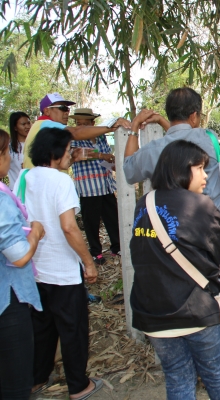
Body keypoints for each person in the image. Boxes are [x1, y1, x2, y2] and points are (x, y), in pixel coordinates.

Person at [123, 87, 220, 362]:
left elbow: (128, 169)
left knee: (185, 307)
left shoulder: (154, 150)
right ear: (195, 116)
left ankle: (190, 366)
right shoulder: (207, 139)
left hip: (174, 247)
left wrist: (134, 128)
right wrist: (168, 123)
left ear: (169, 114)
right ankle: (219, 366)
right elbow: (185, 135)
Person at [130, 140, 220, 399]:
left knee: (177, 377)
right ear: (180, 168)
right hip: (195, 311)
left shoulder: (144, 203)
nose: (205, 175)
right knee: (217, 376)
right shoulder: (202, 205)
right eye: (199, 168)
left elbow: (139, 254)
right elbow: (214, 257)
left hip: (152, 313)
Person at [14, 127, 103, 399]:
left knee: (42, 327)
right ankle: (78, 385)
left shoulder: (25, 177)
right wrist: (88, 262)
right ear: (55, 153)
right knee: (73, 329)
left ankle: (37, 378)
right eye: (67, 151)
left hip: (35, 268)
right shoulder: (62, 182)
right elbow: (69, 227)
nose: (70, 155)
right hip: (63, 270)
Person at [0, 128, 45, 399]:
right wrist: (35, 232)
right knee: (15, 383)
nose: (10, 159)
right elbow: (19, 256)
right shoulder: (1, 199)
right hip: (8, 301)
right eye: (6, 153)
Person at [22, 92, 132, 169]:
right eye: (62, 108)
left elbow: (76, 154)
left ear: (92, 123)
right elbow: (75, 132)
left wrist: (100, 155)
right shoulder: (45, 124)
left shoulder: (47, 130)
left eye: (67, 109)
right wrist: (111, 126)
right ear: (47, 111)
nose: (66, 113)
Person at [69, 108, 120, 266]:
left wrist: (112, 163)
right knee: (91, 222)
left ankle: (117, 247)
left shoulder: (100, 137)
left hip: (105, 184)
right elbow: (79, 153)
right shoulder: (73, 138)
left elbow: (106, 156)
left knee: (112, 217)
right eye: (78, 124)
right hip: (88, 187)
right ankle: (96, 252)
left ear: (92, 123)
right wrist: (100, 155)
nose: (81, 127)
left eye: (85, 124)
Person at [7, 112, 31, 189]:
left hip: (33, 192)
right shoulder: (9, 147)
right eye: (23, 124)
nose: (27, 126)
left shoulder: (36, 144)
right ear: (15, 127)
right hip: (15, 191)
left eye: (28, 123)